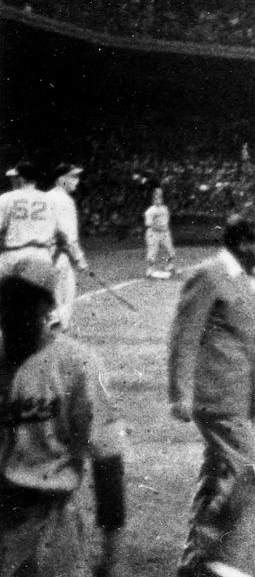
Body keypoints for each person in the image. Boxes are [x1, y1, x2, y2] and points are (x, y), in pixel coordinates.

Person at [168, 215, 255, 577]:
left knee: (215, 477)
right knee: (248, 471)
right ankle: (213, 557)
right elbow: (184, 335)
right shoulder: (208, 275)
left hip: (245, 393)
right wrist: (179, 392)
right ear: (243, 244)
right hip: (215, 392)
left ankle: (193, 563)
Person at [0, 254, 127, 577]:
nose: (10, 312)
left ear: (47, 307)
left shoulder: (76, 364)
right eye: (5, 301)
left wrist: (112, 545)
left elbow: (107, 456)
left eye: (22, 303)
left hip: (50, 515)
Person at [0, 162, 61, 282]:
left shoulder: (6, 198)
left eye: (14, 178)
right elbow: (57, 232)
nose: (12, 181)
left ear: (21, 179)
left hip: (13, 254)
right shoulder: (50, 200)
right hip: (41, 255)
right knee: (33, 298)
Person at [45, 163, 89, 331]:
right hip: (58, 255)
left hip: (43, 254)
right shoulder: (65, 201)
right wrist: (79, 258)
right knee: (65, 298)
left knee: (53, 297)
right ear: (62, 179)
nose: (76, 181)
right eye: (73, 177)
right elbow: (68, 235)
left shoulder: (46, 197)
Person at [144, 186, 177, 279]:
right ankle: (150, 269)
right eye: (156, 198)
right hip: (154, 233)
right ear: (153, 199)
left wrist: (164, 228)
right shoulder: (150, 211)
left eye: (160, 198)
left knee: (170, 251)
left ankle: (170, 266)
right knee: (152, 252)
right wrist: (158, 227)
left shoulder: (165, 209)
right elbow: (149, 224)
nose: (158, 199)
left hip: (165, 232)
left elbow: (166, 220)